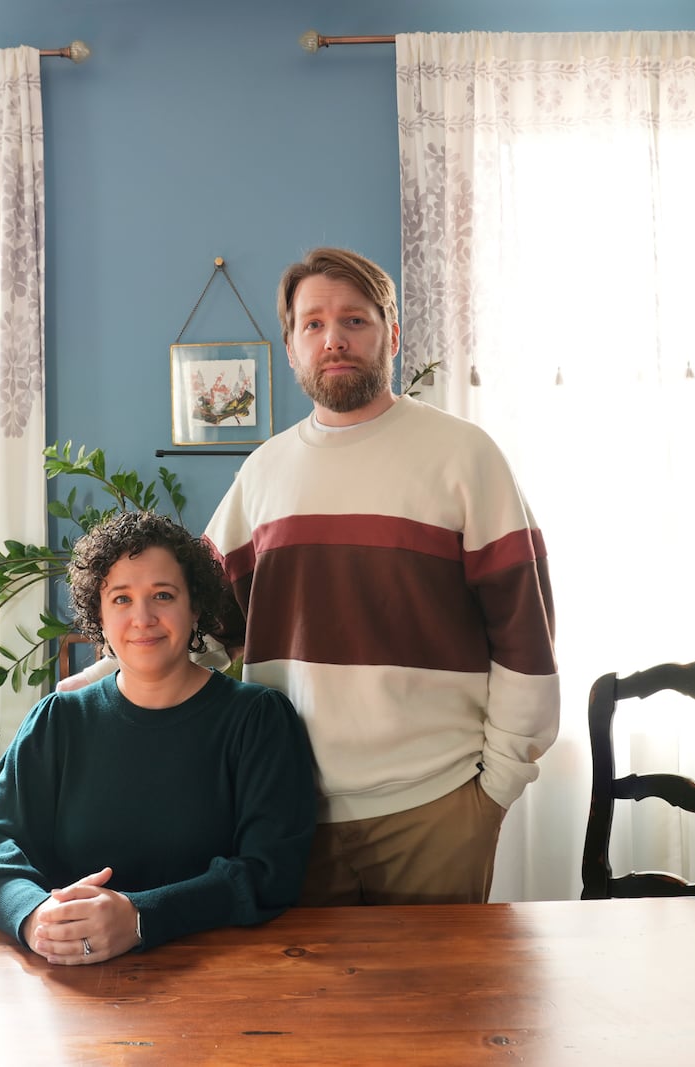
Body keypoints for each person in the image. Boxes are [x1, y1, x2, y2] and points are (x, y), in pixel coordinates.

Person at [201, 246, 559, 906]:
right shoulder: (264, 475)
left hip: (439, 807)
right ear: (290, 347)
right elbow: (196, 624)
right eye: (312, 324)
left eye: (354, 320)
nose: (333, 338)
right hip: (292, 813)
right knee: (310, 1012)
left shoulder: (465, 455)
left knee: (443, 1010)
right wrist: (104, 679)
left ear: (391, 334)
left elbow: (524, 634)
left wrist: (498, 785)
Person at [0, 510, 316, 964]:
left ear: (195, 606)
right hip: (73, 979)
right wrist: (33, 913)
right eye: (121, 599)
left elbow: (271, 870)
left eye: (163, 595)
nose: (143, 618)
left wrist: (142, 917)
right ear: (98, 616)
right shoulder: (59, 721)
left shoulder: (258, 719)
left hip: (223, 972)